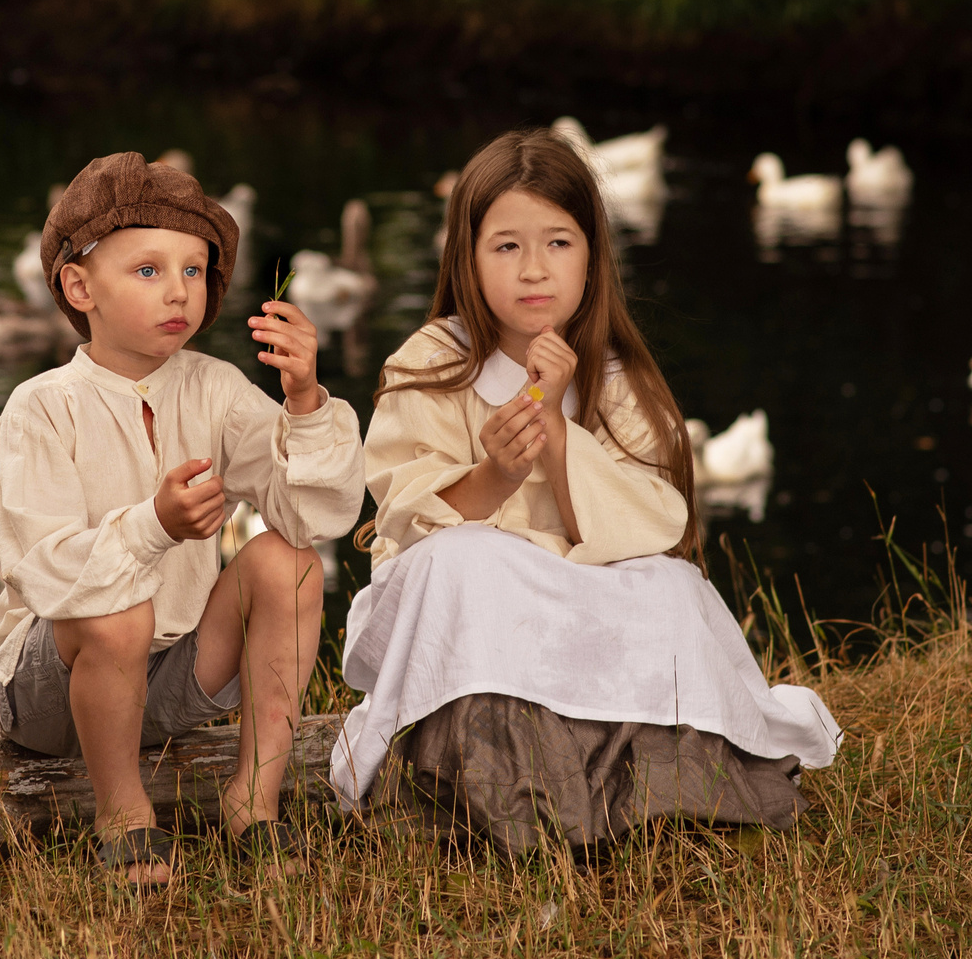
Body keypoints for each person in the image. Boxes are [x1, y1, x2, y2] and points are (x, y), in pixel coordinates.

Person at [331, 127, 840, 854]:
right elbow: (408, 523)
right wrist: (495, 474)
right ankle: (503, 784)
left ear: (593, 255)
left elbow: (650, 522)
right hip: (481, 598)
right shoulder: (430, 363)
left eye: (559, 243)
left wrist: (560, 431)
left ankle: (658, 788)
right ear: (467, 258)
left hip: (582, 591)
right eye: (506, 246)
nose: (534, 269)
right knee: (464, 560)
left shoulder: (615, 374)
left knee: (672, 586)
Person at [0, 152, 365, 884]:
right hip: (45, 690)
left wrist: (306, 401)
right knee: (118, 607)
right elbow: (51, 575)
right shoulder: (41, 405)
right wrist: (155, 523)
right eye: (148, 270)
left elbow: (314, 513)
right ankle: (123, 818)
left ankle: (255, 803)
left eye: (193, 269)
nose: (178, 290)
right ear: (79, 285)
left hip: (169, 675)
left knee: (292, 561)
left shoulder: (215, 388)